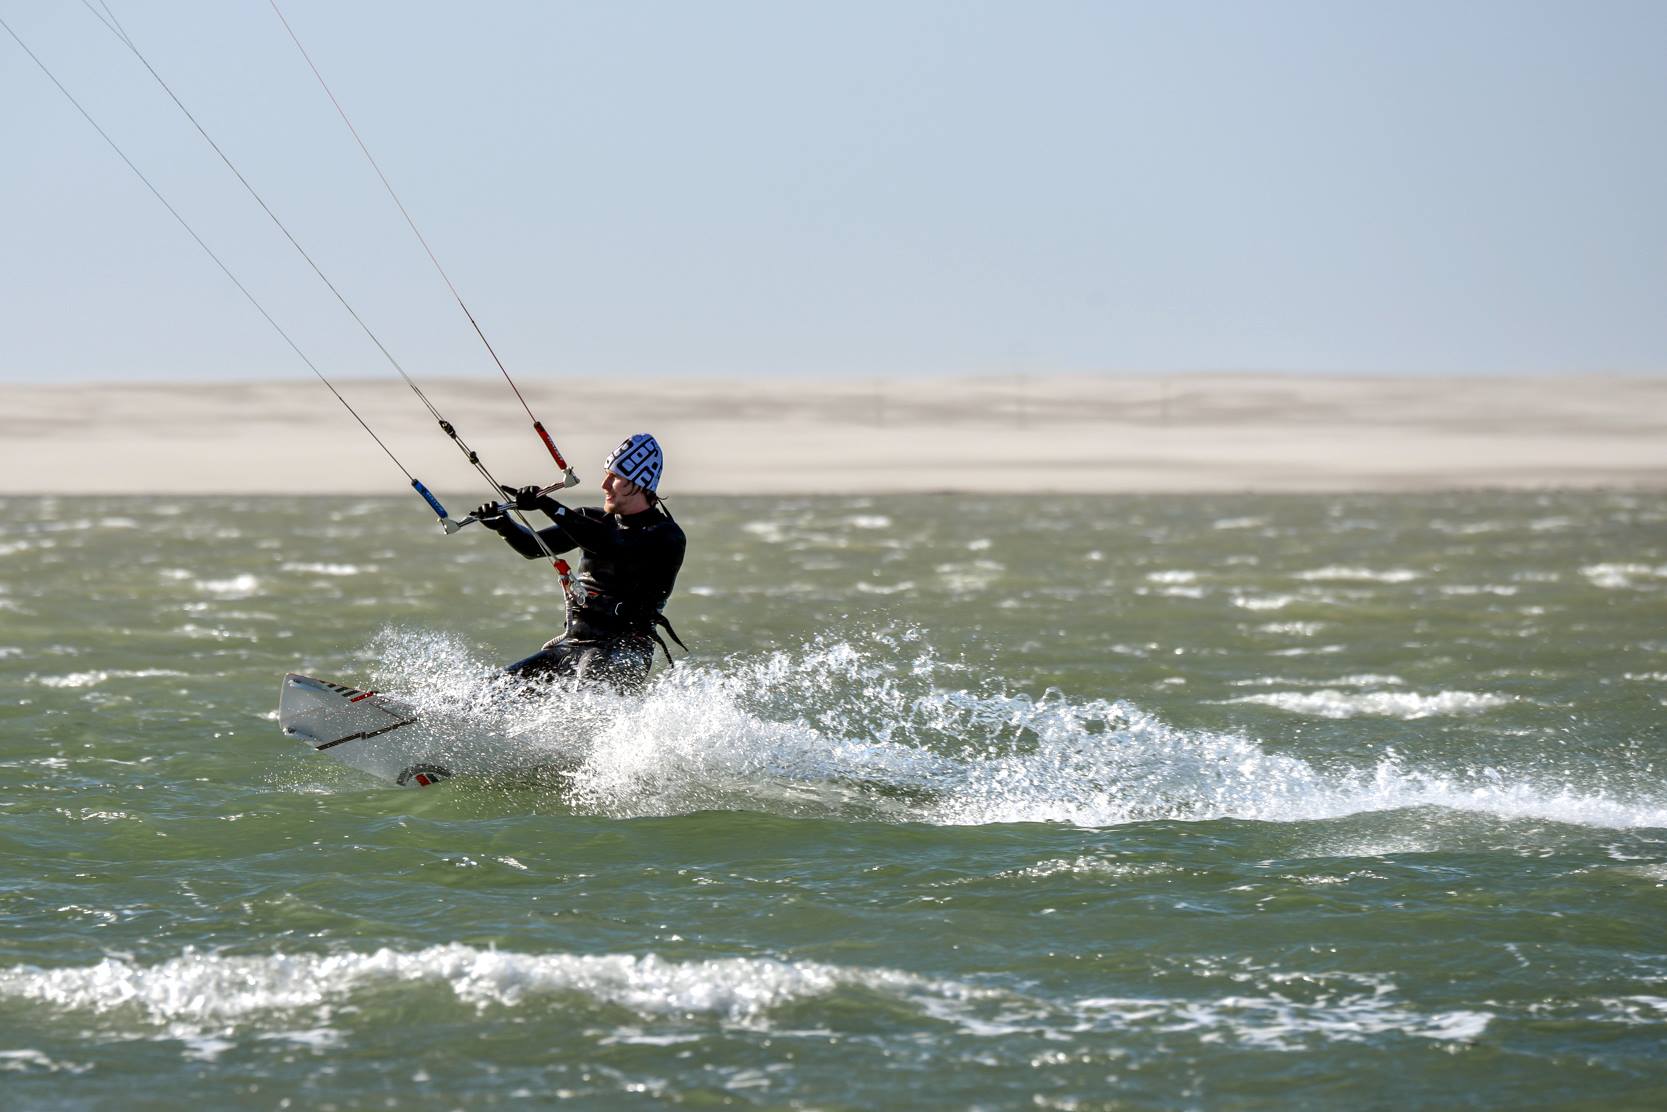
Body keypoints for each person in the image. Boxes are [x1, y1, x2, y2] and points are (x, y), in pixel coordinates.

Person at [472, 433, 686, 693]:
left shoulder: (666, 535)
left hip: (625, 651)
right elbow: (533, 547)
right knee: (490, 691)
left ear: (640, 484)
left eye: (615, 477)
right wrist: (503, 525)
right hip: (572, 646)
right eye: (606, 474)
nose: (605, 485)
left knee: (586, 685)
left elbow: (611, 545)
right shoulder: (592, 520)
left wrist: (547, 504)